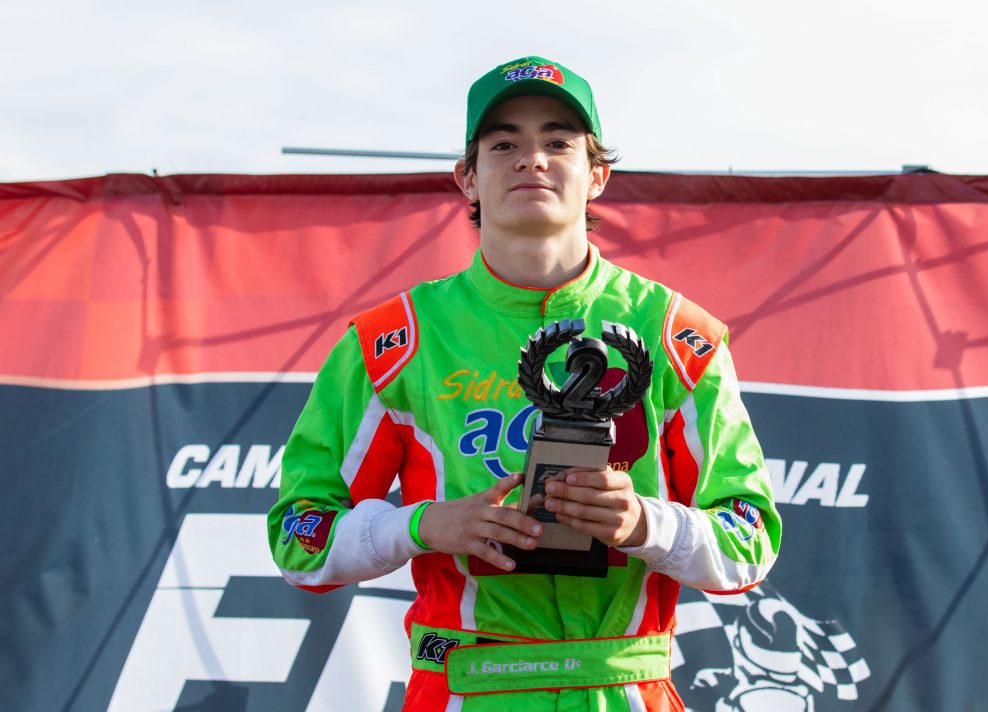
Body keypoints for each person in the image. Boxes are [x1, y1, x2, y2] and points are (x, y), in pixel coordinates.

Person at [268, 55, 781, 711]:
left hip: (626, 690)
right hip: (463, 689)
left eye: (557, 142)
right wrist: (422, 526)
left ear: (597, 175)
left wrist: (643, 523)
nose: (531, 159)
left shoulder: (679, 334)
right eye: (504, 144)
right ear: (468, 177)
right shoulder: (392, 339)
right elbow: (300, 541)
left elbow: (751, 540)